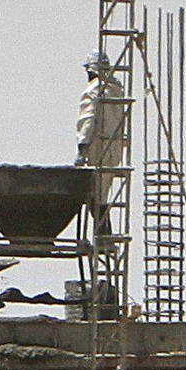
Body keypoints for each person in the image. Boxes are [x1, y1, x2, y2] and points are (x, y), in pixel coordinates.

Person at [76, 50, 126, 244]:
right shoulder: (117, 89)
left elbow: (87, 120)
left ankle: (103, 236)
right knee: (102, 194)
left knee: (95, 196)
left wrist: (82, 148)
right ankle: (105, 236)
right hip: (115, 148)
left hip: (98, 147)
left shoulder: (93, 89)